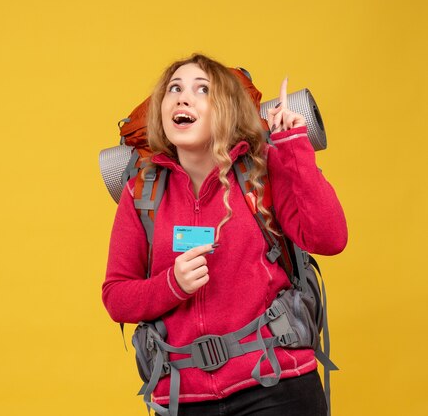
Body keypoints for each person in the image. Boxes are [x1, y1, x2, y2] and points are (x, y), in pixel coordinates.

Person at [102, 54, 347, 416]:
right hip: (184, 399)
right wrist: (172, 284)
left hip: (277, 384)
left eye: (203, 90)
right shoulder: (141, 194)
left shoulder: (262, 172)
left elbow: (330, 238)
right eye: (175, 89)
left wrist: (292, 143)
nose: (183, 98)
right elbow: (116, 296)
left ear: (228, 110)